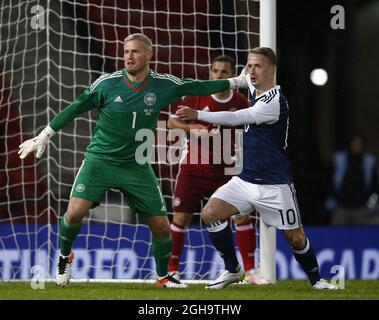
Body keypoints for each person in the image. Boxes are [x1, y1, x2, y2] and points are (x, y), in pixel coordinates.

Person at [18, 33, 248, 288]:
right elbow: (75, 107)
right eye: (126, 51)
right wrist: (44, 136)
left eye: (135, 51)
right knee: (73, 214)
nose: (129, 56)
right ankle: (65, 256)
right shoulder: (107, 84)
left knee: (162, 227)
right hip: (100, 160)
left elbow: (197, 86)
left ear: (148, 54)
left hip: (136, 165)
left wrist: (235, 81)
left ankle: (162, 277)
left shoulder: (162, 85)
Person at [176, 47, 338, 290]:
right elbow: (234, 81)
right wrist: (201, 86)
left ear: (272, 69)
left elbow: (237, 117)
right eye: (249, 65)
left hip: (275, 183)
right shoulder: (252, 85)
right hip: (245, 179)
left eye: (258, 66)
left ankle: (317, 280)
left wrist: (198, 113)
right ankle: (232, 269)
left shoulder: (274, 102)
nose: (251, 70)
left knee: (295, 237)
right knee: (210, 213)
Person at [167, 55, 269, 285]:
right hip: (194, 167)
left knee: (241, 216)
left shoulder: (242, 101)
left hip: (228, 169)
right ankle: (172, 271)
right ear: (210, 73)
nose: (219, 75)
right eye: (215, 71)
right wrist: (191, 127)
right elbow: (172, 122)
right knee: (181, 217)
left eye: (224, 72)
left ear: (232, 75)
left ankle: (250, 272)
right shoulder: (197, 96)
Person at [327, 133, 379, 225]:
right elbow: (329, 181)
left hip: (361, 207)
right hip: (341, 206)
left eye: (359, 144)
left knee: (362, 234)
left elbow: (374, 184)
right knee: (337, 233)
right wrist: (335, 198)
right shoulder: (338, 159)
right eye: (354, 143)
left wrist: (367, 201)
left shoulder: (369, 161)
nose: (356, 146)